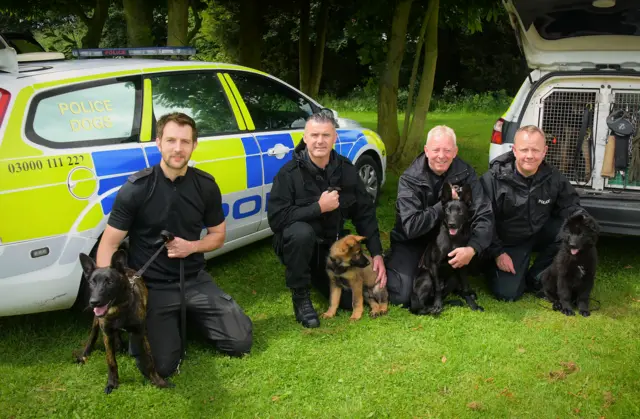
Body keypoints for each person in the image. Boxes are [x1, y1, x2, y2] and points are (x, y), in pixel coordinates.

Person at [95, 112, 253, 378]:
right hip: (153, 287)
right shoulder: (136, 188)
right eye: (170, 140)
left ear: (194, 145)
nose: (178, 148)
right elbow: (108, 244)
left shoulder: (206, 186)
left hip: (194, 279)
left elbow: (218, 235)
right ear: (158, 143)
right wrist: (110, 292)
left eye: (185, 141)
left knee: (240, 343)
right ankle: (156, 327)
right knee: (162, 367)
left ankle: (186, 319)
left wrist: (191, 247)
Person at [267, 111, 386, 328]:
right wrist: (318, 208)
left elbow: (364, 212)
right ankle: (300, 295)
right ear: (305, 138)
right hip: (297, 244)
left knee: (348, 303)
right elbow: (276, 219)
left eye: (326, 135)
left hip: (330, 247)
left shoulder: (345, 169)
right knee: (301, 233)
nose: (319, 141)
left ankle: (317, 273)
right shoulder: (288, 174)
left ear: (335, 138)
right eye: (314, 135)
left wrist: (376, 252)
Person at [385, 125, 494, 306]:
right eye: (436, 150)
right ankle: (399, 262)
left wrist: (472, 248)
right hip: (413, 241)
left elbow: (484, 214)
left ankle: (454, 280)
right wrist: (440, 207)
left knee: (480, 250)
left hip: (449, 240)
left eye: (447, 150)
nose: (441, 156)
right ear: (426, 150)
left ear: (455, 152)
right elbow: (411, 227)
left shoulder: (467, 174)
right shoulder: (409, 179)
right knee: (401, 297)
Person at [479, 125, 586, 302]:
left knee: (571, 232)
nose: (530, 155)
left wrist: (583, 223)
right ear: (514, 150)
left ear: (545, 151)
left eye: (535, 150)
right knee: (508, 294)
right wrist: (498, 253)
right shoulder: (492, 180)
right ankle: (493, 267)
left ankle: (537, 275)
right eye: (524, 150)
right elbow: (483, 221)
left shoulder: (554, 178)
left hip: (539, 231)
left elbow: (570, 206)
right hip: (508, 242)